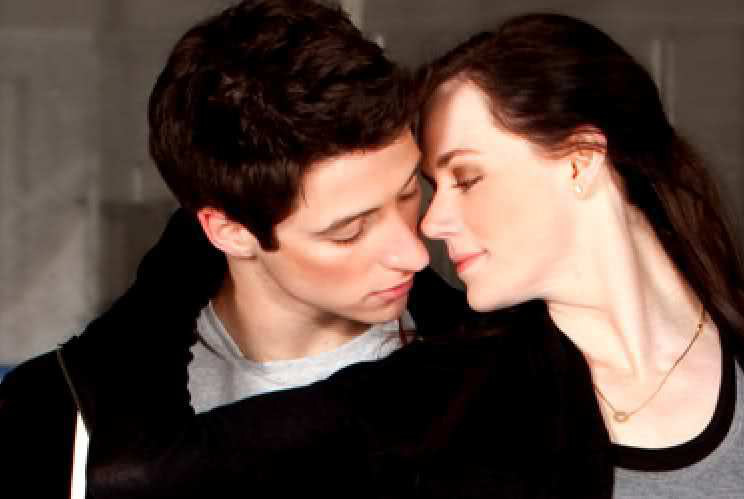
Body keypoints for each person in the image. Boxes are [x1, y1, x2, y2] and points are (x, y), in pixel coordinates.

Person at [28, 12, 744, 499]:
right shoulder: (446, 394)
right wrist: (183, 256)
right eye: (349, 228)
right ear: (227, 230)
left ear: (582, 159)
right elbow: (144, 474)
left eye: (443, 182)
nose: (425, 236)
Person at [0, 1, 469, 496]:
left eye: (409, 193)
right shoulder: (56, 416)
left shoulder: (494, 388)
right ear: (230, 231)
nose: (416, 253)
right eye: (349, 231)